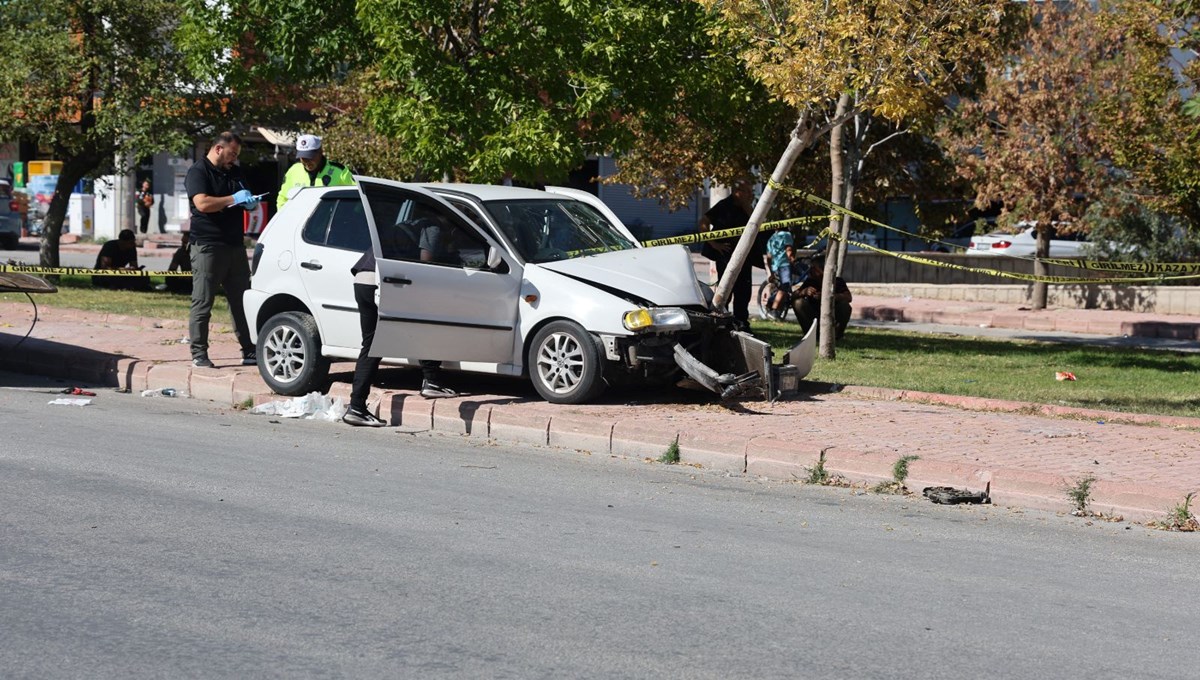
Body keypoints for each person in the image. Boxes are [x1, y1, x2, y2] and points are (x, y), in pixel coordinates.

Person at [342, 245, 459, 428]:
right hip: (385, 281)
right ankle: (431, 381)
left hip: (364, 278)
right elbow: (426, 261)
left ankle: (357, 406)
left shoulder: (405, 223)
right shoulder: (432, 226)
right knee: (421, 324)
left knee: (373, 343)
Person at [185, 130, 259, 369]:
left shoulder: (234, 172)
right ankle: (199, 353)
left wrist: (250, 203)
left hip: (234, 246)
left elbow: (245, 197)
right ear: (218, 148)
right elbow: (203, 203)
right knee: (203, 301)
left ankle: (249, 350)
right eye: (232, 153)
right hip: (207, 245)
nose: (234, 159)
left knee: (241, 301)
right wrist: (232, 199)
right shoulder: (198, 171)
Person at [697, 180, 760, 326]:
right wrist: (714, 244)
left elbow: (758, 223)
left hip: (744, 255)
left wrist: (746, 206)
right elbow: (703, 223)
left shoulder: (748, 208)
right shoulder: (724, 206)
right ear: (737, 192)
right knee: (726, 289)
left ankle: (742, 322)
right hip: (726, 255)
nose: (750, 195)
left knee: (744, 290)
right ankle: (721, 320)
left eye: (751, 192)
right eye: (747, 191)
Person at [276, 134, 355, 211]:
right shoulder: (293, 171)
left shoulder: (340, 171)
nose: (307, 162)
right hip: (301, 222)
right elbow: (283, 199)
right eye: (303, 158)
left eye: (310, 156)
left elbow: (358, 195)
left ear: (320, 152)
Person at [794, 253, 853, 341]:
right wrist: (804, 292)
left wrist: (829, 296)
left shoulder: (838, 281)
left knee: (845, 306)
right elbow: (793, 295)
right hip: (814, 314)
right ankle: (811, 334)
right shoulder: (810, 281)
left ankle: (837, 335)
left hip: (832, 314)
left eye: (814, 268)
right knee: (798, 303)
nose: (811, 271)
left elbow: (848, 297)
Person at [764, 228, 796, 321]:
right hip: (784, 265)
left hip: (775, 266)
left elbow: (769, 257)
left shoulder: (772, 238)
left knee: (783, 288)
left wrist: (771, 271)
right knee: (785, 286)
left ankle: (773, 306)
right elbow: (789, 250)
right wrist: (792, 260)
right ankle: (773, 310)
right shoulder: (786, 234)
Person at [164, 231, 193, 295]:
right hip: (184, 277)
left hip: (196, 277)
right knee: (170, 278)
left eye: (185, 243)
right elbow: (172, 269)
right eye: (182, 242)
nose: (182, 244)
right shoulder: (180, 252)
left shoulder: (199, 253)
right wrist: (180, 275)